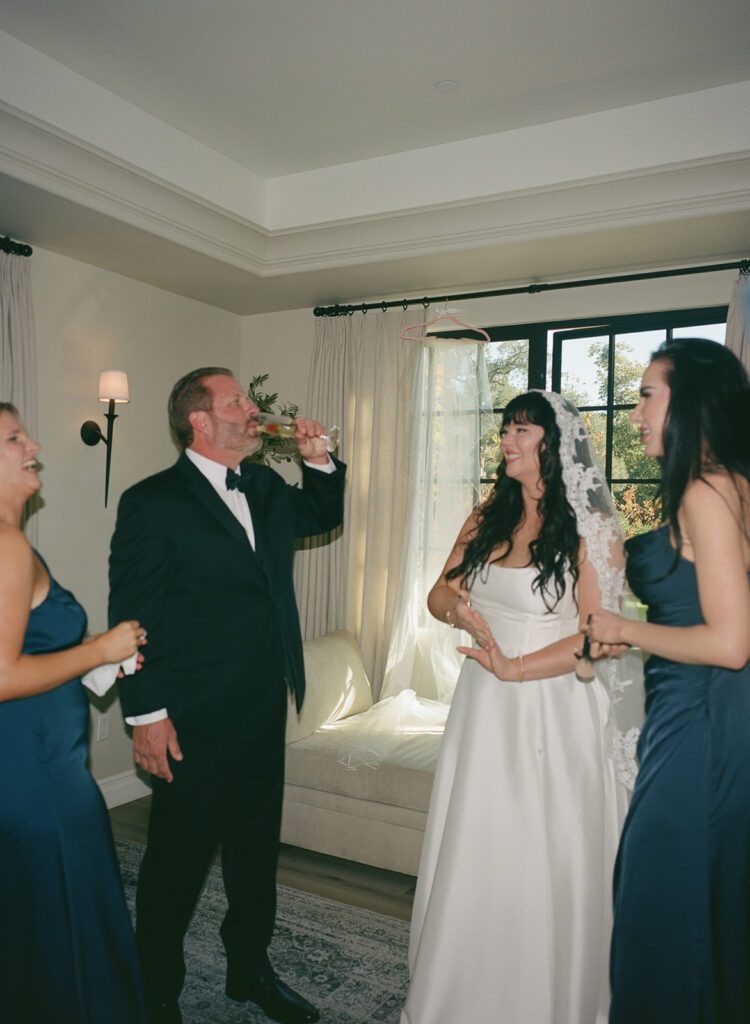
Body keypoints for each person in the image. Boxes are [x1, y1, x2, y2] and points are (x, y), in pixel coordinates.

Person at [108, 367, 346, 1024]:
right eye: (237, 399)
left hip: (264, 706)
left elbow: (323, 514)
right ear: (202, 422)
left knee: (253, 855)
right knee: (175, 866)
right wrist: (146, 717)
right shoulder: (152, 503)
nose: (253, 407)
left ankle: (250, 971)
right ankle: (155, 988)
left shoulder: (265, 484)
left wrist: (321, 461)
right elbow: (131, 619)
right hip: (191, 716)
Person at [401, 390, 633, 1024]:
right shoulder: (487, 516)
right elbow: (436, 595)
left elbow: (600, 636)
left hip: (554, 704)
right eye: (505, 429)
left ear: (552, 446)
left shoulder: (594, 528)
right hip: (483, 706)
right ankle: (461, 990)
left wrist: (517, 666)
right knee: (478, 844)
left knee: (541, 851)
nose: (506, 439)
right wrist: (460, 610)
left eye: (521, 430)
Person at [586, 338, 750, 1024]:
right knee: (707, 904)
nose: (638, 411)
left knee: (662, 902)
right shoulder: (734, 483)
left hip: (700, 724)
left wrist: (623, 630)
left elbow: (731, 643)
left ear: (690, 402)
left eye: (649, 394)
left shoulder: (706, 492)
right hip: (709, 717)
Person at [0, 402, 147, 1023]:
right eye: (13, 437)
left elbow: (27, 648)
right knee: (64, 912)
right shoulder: (5, 544)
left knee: (33, 916)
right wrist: (98, 648)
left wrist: (92, 664)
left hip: (27, 759)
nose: (33, 443)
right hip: (40, 775)